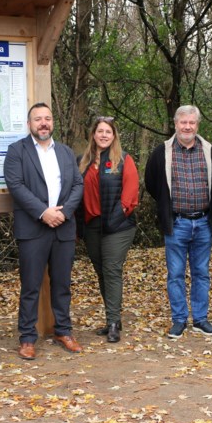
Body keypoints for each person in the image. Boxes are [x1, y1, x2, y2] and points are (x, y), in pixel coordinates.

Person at [4, 103, 84, 360]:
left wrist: (64, 212)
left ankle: (64, 330)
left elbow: (78, 185)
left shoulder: (66, 152)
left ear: (53, 123)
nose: (43, 123)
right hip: (33, 228)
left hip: (63, 227)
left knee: (62, 284)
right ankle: (27, 337)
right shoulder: (17, 151)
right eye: (38, 119)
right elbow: (16, 185)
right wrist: (43, 212)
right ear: (29, 124)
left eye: (47, 118)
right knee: (31, 286)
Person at [145, 105, 212, 339]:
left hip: (203, 222)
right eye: (183, 122)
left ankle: (200, 319)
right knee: (175, 274)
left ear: (198, 125)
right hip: (176, 222)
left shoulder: (210, 151)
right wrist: (168, 206)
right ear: (176, 124)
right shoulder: (162, 152)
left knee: (201, 273)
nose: (187, 127)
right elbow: (151, 183)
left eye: (192, 123)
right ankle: (179, 320)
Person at [78, 116, 139, 343]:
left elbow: (130, 196)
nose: (104, 135)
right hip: (92, 225)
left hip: (118, 225)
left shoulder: (123, 160)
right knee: (101, 271)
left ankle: (113, 322)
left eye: (108, 132)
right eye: (100, 131)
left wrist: (115, 219)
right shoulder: (82, 162)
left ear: (114, 136)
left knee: (112, 269)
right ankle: (113, 317)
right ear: (93, 134)